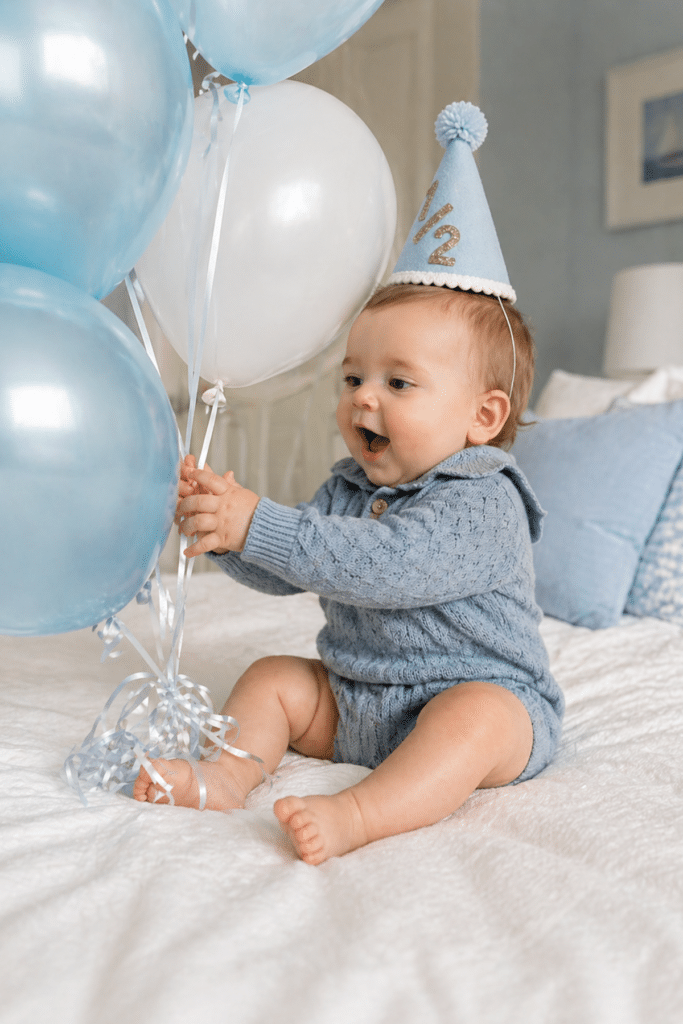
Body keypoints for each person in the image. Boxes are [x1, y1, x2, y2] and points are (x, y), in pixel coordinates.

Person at [133, 282, 564, 864]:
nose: (363, 399)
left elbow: (387, 564)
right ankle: (226, 777)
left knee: (474, 720)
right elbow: (294, 572)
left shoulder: (485, 501)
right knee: (273, 678)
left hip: (481, 695)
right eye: (353, 378)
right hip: (357, 700)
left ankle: (358, 814)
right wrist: (225, 535)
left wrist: (259, 522)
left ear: (482, 416)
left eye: (398, 383)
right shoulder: (349, 487)